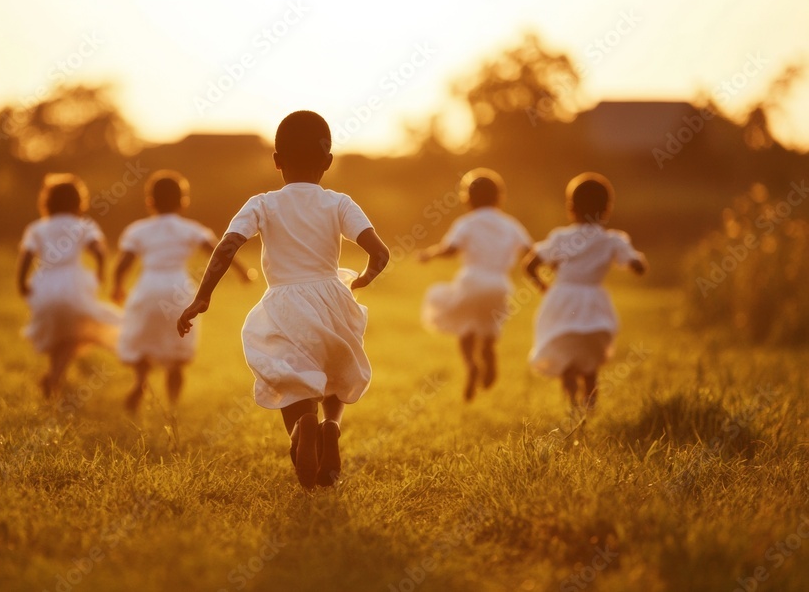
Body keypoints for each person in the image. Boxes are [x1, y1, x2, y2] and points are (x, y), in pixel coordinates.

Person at [177, 110, 390, 490]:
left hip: (285, 304)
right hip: (333, 298)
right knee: (337, 373)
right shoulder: (339, 202)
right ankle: (331, 426)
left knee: (291, 377)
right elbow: (380, 252)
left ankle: (302, 425)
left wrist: (202, 297)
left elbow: (227, 247)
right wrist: (363, 279)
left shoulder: (261, 203)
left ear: (277, 161)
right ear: (328, 162)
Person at [112, 170, 255, 412]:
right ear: (184, 201)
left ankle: (140, 382)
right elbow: (218, 251)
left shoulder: (138, 230)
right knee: (176, 353)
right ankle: (173, 405)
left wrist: (117, 285)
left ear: (150, 201)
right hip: (177, 291)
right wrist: (243, 272)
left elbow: (123, 263)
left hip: (147, 289)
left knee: (144, 341)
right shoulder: (191, 229)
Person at [524, 172, 647, 410]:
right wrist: (636, 264)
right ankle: (589, 402)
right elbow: (635, 263)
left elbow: (529, 264)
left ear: (571, 208)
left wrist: (542, 285)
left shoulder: (560, 237)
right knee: (590, 358)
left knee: (563, 345)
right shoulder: (612, 240)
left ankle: (570, 391)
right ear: (608, 209)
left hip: (561, 299)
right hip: (593, 302)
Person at [418, 169, 532, 400]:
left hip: (471, 281)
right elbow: (530, 250)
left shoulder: (467, 223)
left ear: (467, 198)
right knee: (489, 327)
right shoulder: (510, 224)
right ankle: (488, 353)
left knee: (465, 326)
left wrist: (430, 254)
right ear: (499, 197)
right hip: (499, 284)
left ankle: (471, 364)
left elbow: (450, 250)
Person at [17, 173, 122, 397]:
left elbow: (26, 256)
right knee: (73, 333)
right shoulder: (84, 225)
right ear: (78, 201)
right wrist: (101, 272)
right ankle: (54, 378)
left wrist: (21, 283)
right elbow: (99, 250)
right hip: (72, 285)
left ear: (47, 201)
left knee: (60, 332)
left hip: (44, 285)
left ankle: (53, 377)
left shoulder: (37, 227)